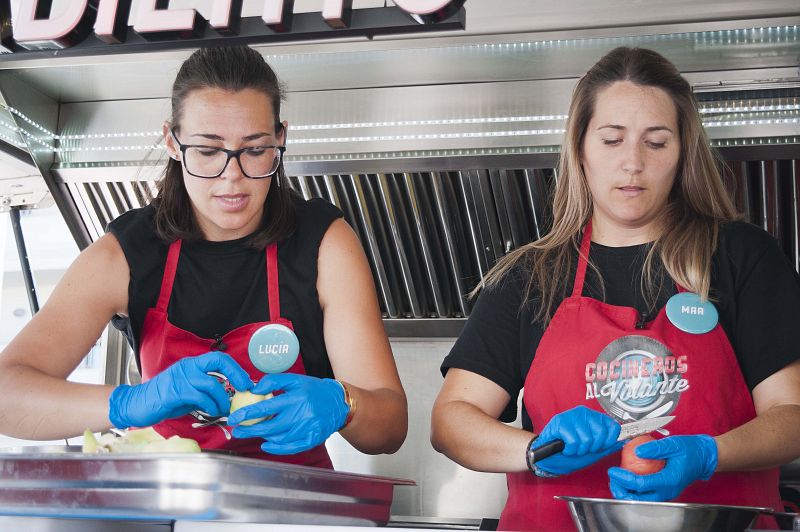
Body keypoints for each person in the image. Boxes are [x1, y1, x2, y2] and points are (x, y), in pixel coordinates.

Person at [431, 46, 800, 530]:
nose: (633, 163)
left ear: (683, 152)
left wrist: (711, 454)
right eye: (612, 140)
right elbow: (452, 420)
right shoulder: (531, 277)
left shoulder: (740, 257)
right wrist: (535, 450)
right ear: (581, 149)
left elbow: (793, 414)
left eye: (657, 141)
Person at [0, 45, 407, 468]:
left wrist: (345, 402)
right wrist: (130, 402)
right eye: (208, 151)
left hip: (294, 510)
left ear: (280, 138)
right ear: (172, 143)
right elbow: (7, 394)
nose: (232, 177)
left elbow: (390, 428)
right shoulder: (126, 253)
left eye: (254, 149)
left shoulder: (323, 244)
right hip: (164, 511)